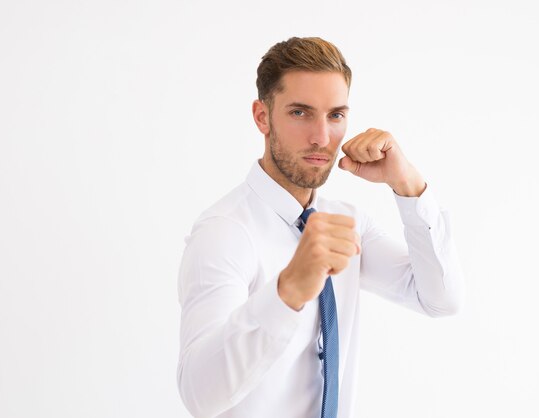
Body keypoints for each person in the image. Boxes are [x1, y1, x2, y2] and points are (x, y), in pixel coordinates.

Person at [177, 36, 463, 418]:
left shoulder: (347, 222)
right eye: (300, 113)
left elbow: (441, 299)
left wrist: (408, 186)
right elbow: (200, 396)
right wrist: (287, 291)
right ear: (262, 116)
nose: (322, 137)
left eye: (335, 115)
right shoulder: (224, 233)